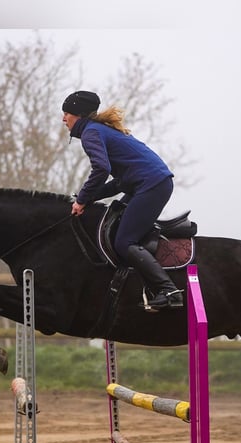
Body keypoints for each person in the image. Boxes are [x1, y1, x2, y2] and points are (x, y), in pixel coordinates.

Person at [62, 90, 183, 311]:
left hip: (151, 185)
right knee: (115, 223)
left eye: (66, 113)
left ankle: (169, 291)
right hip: (149, 183)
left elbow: (102, 169)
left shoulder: (91, 133)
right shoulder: (99, 130)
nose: (63, 119)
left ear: (77, 115)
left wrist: (82, 199)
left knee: (123, 242)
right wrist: (86, 198)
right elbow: (118, 182)